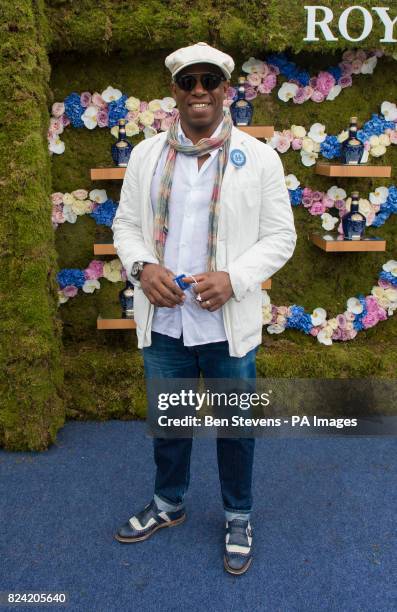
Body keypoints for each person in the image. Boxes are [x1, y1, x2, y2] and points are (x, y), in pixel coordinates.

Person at [111, 42, 297, 575]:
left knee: (236, 426)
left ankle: (238, 514)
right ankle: (169, 503)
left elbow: (280, 237)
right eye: (188, 82)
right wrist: (144, 268)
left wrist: (233, 279)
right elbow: (125, 226)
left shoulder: (259, 157)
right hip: (165, 317)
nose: (198, 92)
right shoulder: (146, 155)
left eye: (209, 82)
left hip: (226, 320)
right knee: (169, 421)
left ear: (226, 91)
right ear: (174, 90)